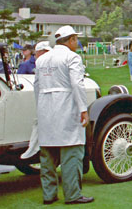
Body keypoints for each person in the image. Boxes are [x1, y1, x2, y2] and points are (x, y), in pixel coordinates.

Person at [34, 25, 93, 205]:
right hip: (66, 107)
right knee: (72, 152)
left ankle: (49, 194)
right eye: (76, 39)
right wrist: (83, 109)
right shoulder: (72, 57)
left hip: (45, 108)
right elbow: (77, 84)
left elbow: (37, 86)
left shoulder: (42, 60)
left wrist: (39, 108)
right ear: (71, 40)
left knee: (48, 155)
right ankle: (73, 194)